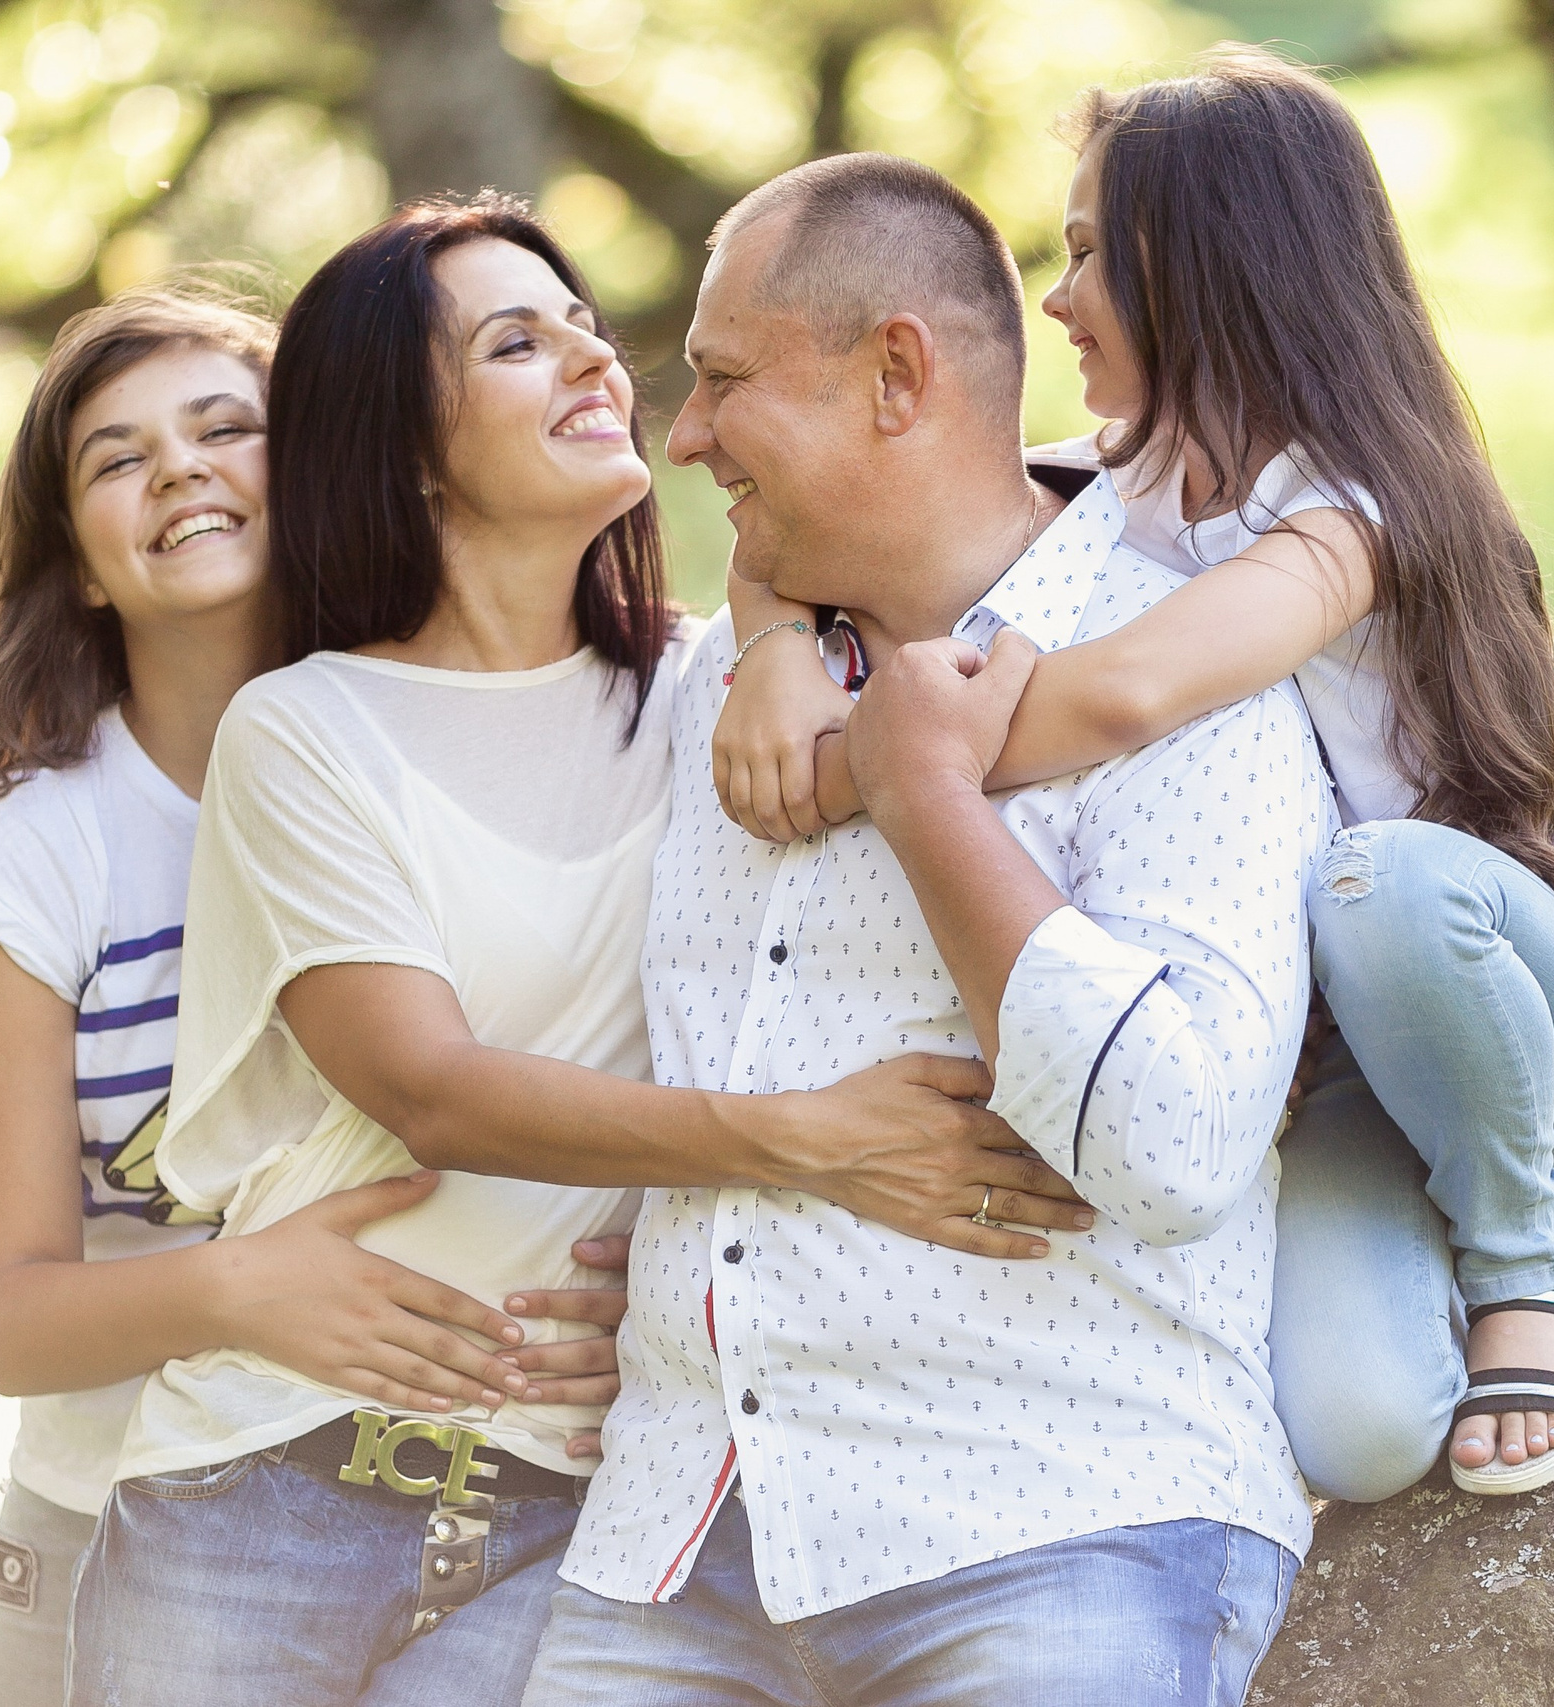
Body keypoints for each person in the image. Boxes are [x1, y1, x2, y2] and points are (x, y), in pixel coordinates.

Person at [64, 198, 1091, 1707]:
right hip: (267, 1485)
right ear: (404, 443)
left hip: (570, 1511)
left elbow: (981, 560)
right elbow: (430, 1090)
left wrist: (769, 634)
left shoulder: (706, 694)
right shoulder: (302, 730)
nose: (595, 362)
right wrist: (806, 1143)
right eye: (515, 344)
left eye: (585, 328)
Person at [711, 48, 1554, 1499]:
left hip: (1501, 985)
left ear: (1216, 265)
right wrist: (778, 641)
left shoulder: (1354, 515)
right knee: (1360, 1434)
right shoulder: (1130, 478)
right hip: (1353, 1052)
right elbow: (845, 517)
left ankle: (1528, 1259)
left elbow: (1129, 692)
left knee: (1383, 884)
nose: (1057, 298)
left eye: (1089, 253)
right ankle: (1458, 1203)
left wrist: (880, 772)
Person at [523, 154, 1323, 1707]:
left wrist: (930, 796)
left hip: (1059, 1525)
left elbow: (1172, 1150)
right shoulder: (713, 688)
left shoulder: (1189, 680)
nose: (682, 436)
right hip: (673, 1540)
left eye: (726, 381)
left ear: (897, 375)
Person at [0, 285, 635, 1707]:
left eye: (228, 429)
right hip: (107, 1524)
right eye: (119, 459)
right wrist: (241, 1290)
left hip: (481, 1504)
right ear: (80, 565)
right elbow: (6, 1320)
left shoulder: (460, 739)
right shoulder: (34, 853)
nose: (180, 469)